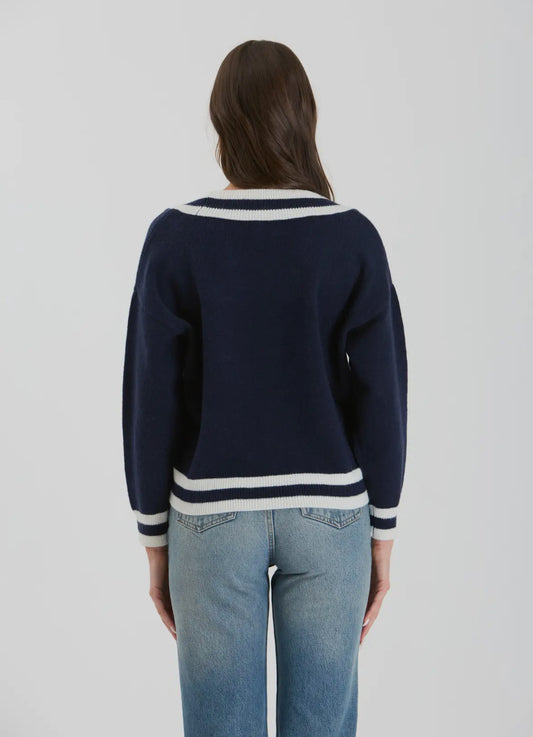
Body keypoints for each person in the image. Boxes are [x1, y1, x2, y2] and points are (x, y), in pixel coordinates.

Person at [122, 38, 408, 737]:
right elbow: (383, 394)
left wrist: (154, 538)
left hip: (210, 513)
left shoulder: (176, 237)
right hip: (330, 513)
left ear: (222, 122)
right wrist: (382, 533)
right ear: (303, 118)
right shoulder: (352, 237)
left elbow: (149, 396)